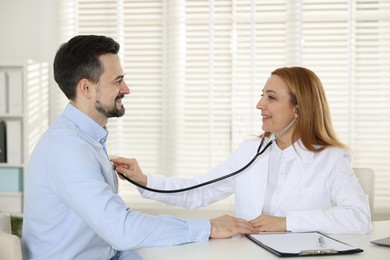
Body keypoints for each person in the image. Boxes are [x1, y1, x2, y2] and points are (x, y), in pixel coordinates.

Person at [21, 35, 256, 260]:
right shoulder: (68, 150)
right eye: (117, 81)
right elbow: (121, 229)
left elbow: (111, 237)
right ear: (86, 88)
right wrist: (208, 227)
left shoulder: (86, 140)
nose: (126, 89)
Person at [112, 66, 372, 235]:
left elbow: (358, 218)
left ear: (298, 109)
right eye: (262, 95)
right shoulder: (251, 151)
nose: (260, 104)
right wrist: (144, 180)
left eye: (271, 97)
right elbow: (199, 191)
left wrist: (286, 223)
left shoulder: (331, 159)